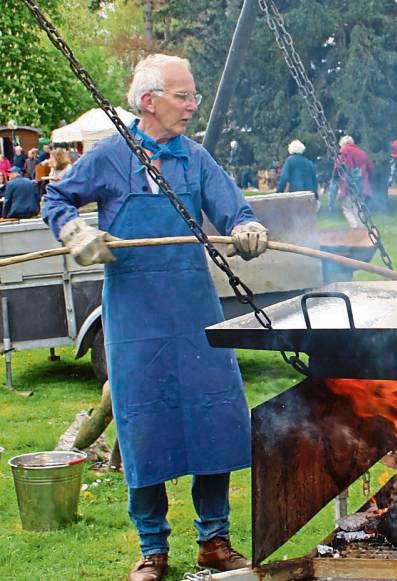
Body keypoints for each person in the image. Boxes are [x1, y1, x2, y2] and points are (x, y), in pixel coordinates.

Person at [42, 53, 267, 581]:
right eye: (183, 95)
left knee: (213, 421)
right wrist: (74, 232)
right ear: (149, 101)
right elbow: (57, 197)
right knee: (144, 427)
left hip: (194, 312)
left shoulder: (195, 159)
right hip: (136, 319)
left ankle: (215, 541)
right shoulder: (109, 157)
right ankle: (152, 550)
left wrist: (247, 228)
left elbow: (234, 209)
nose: (193, 105)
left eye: (193, 95)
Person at [334, 135, 373, 227]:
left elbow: (337, 168)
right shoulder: (362, 153)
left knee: (347, 208)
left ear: (342, 144)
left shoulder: (342, 152)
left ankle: (355, 228)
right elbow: (370, 168)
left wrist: (335, 181)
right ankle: (362, 228)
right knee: (359, 207)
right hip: (362, 184)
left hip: (348, 185)